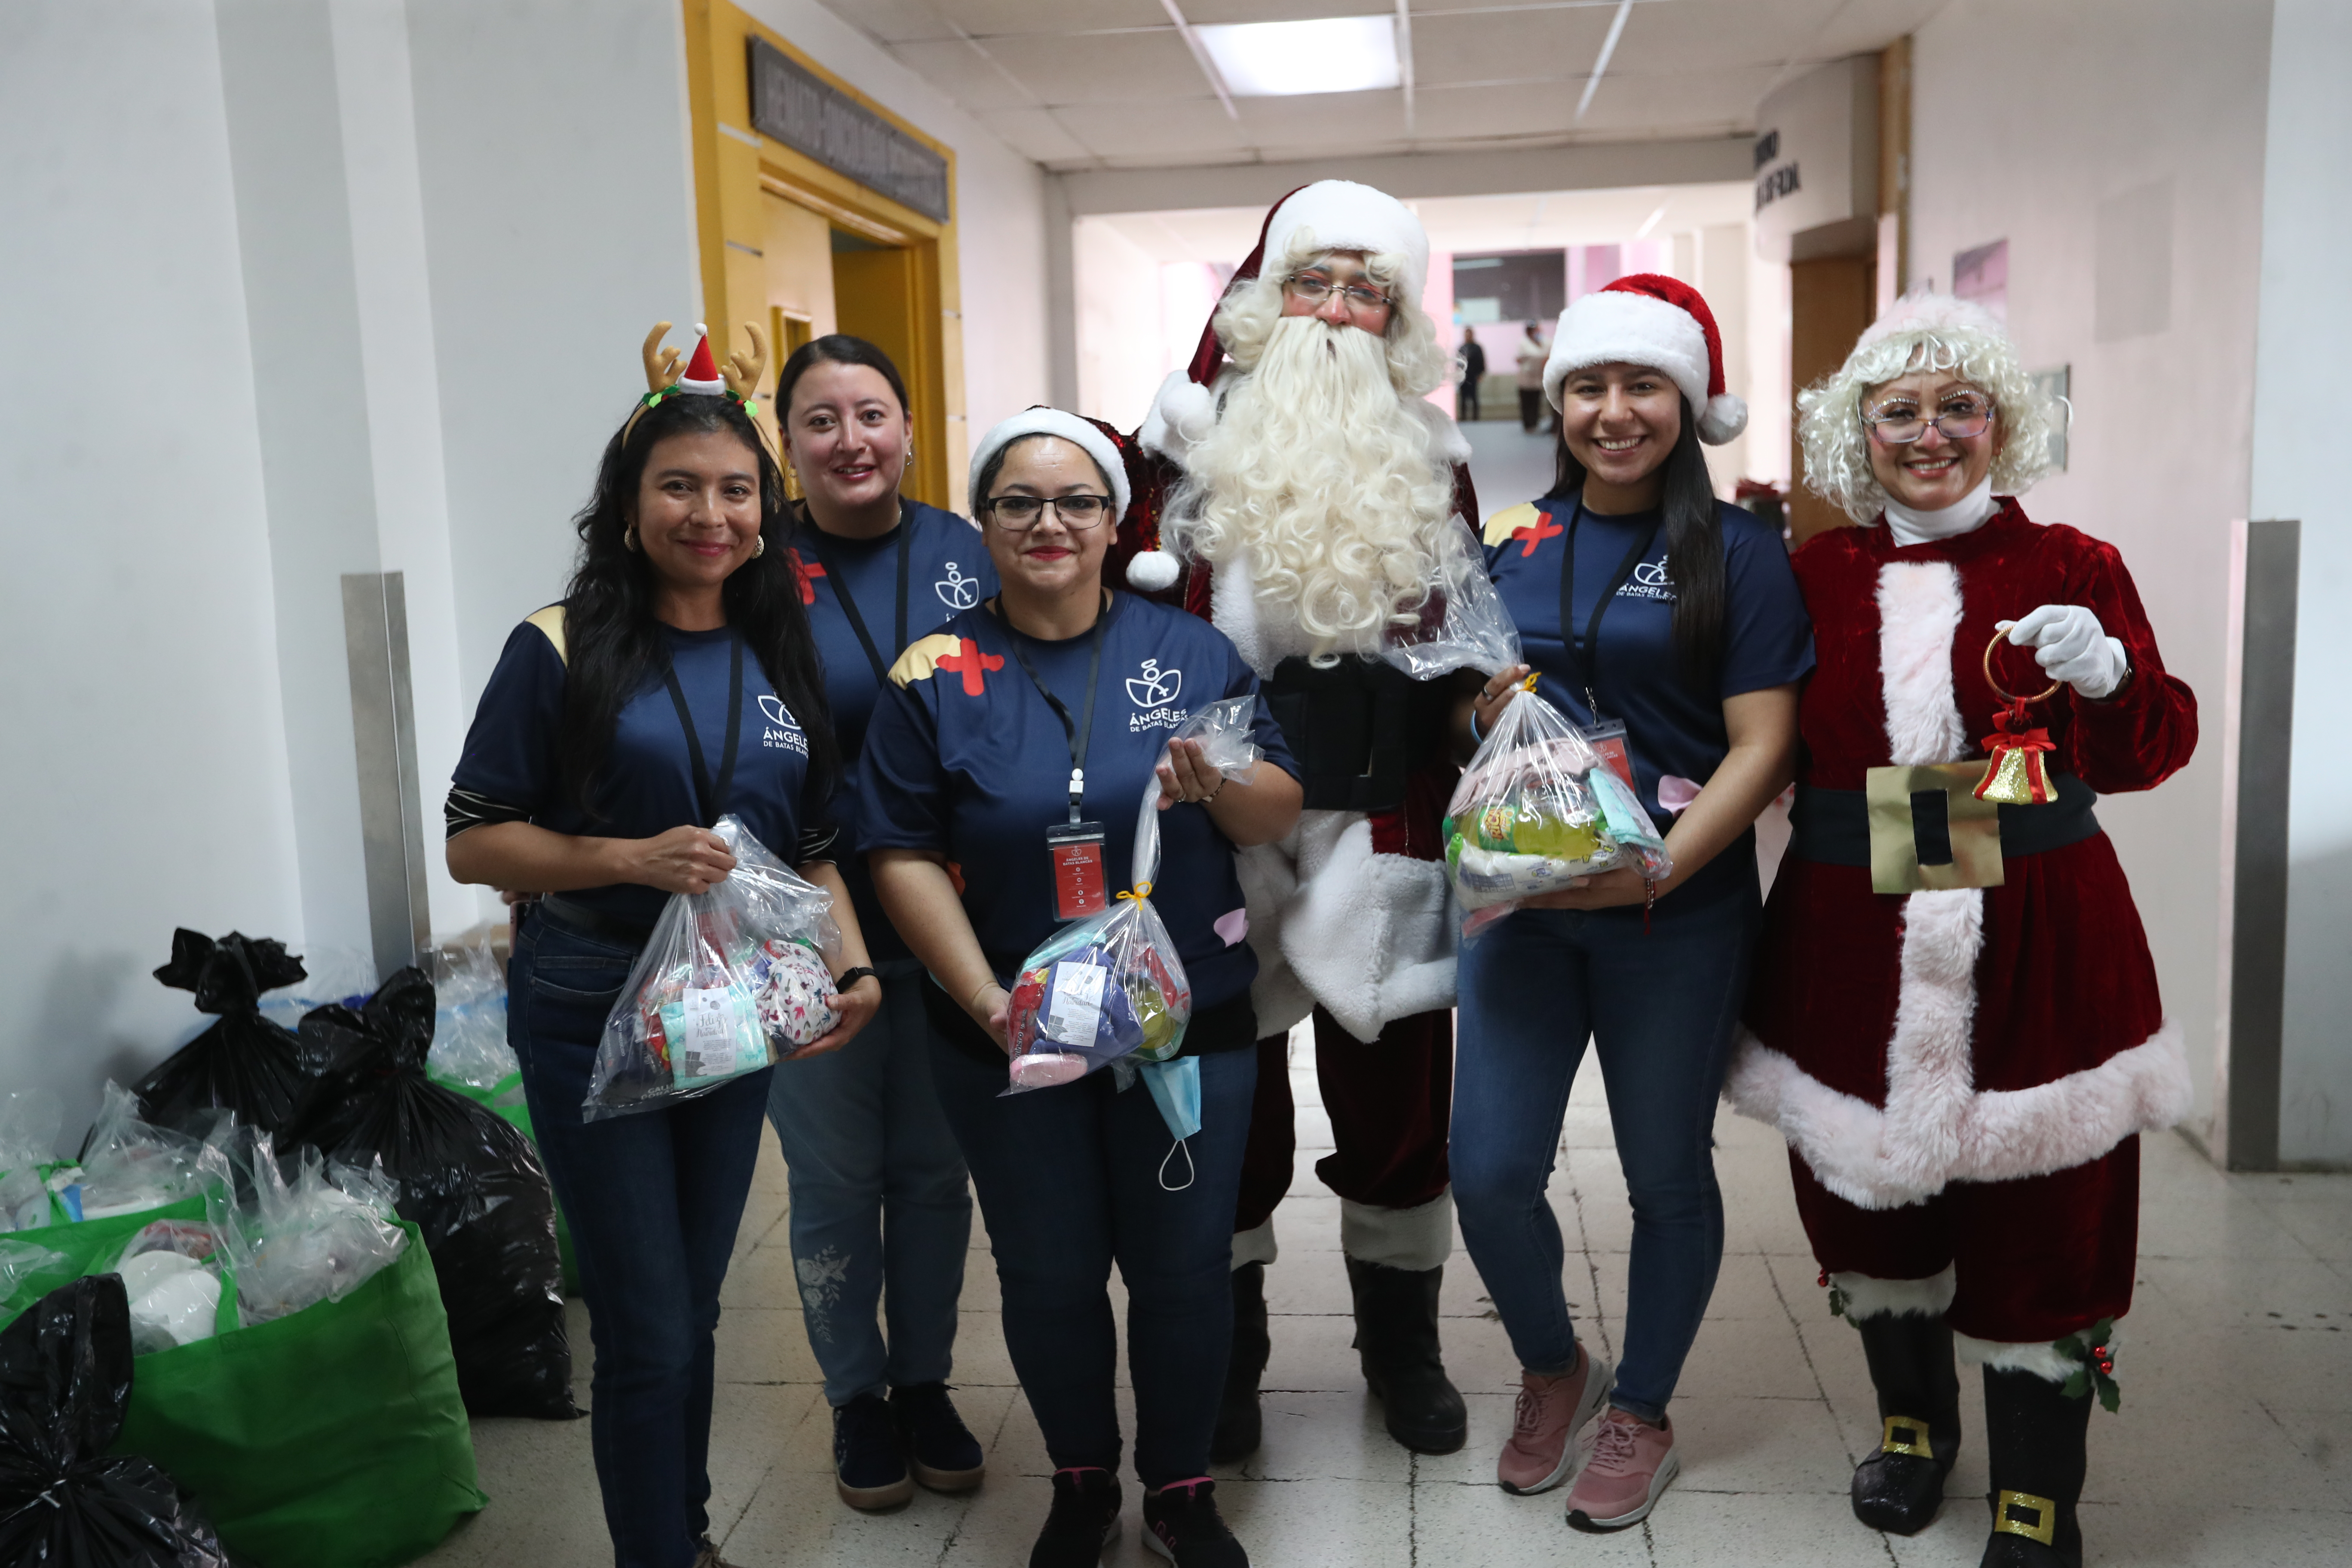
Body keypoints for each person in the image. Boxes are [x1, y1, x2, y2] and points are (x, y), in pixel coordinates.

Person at [1728, 292, 2197, 1568]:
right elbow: (1748, 739)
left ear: (2003, 423)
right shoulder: (1811, 573)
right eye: (1899, 412)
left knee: (2050, 1205)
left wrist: (2109, 674)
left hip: (2044, 924)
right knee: (1872, 1204)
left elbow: (2154, 747)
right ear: (1858, 432)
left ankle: (2041, 1496)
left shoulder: (2077, 565)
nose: (1928, 434)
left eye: (1958, 407)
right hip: (1849, 928)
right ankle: (1912, 1427)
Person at [445, 321, 884, 1568]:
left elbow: (811, 843)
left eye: (737, 490)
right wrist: (624, 859)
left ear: (766, 506)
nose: (713, 514)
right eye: (680, 487)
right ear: (628, 506)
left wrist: (847, 966)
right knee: (643, 1326)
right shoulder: (560, 643)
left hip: (732, 999)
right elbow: (476, 841)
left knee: (693, 1305)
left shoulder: (777, 643)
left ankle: (683, 1540)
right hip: (593, 993)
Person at [863, 409, 1304, 1568]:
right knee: (1048, 1270)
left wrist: (1221, 784)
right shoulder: (934, 673)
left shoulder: (1193, 652)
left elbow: (1277, 811)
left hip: (1187, 1027)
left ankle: (1181, 1488)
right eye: (1019, 503)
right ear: (984, 522)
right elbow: (899, 851)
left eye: (1077, 502)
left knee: (1181, 1269)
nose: (1048, 524)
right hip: (1010, 1033)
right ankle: (1078, 1478)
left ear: (1118, 522)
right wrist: (981, 1000)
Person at [1108, 180, 1482, 1460]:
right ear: (1268, 300)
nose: (1335, 310)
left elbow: (1468, 639)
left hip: (1383, 816)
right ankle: (1229, 1350)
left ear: (1397, 316)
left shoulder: (1435, 463)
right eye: (1313, 282)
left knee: (1397, 1091)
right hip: (1218, 816)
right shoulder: (1178, 451)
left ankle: (1403, 1342)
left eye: (1364, 288)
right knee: (1225, 1094)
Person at [1451, 276, 1813, 1531]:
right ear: (1559, 404)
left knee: (1666, 1173)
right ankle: (1556, 1366)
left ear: (1687, 401)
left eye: (1642, 386)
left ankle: (1642, 1407)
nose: (1615, 412)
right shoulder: (1515, 541)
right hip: (1527, 904)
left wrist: (1661, 862)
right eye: (1592, 388)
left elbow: (1762, 744)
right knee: (1490, 1170)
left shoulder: (1743, 554)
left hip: (1678, 911)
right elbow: (1468, 709)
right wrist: (1479, 711)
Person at [766, 334, 998, 1510]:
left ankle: (924, 1382)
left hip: (957, 924)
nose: (850, 441)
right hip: (808, 929)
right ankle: (857, 1396)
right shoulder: (754, 571)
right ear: (787, 443)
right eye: (821, 420)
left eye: (872, 415)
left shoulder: (973, 552)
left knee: (931, 1169)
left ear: (910, 430)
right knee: (833, 1174)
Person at [1514, 322, 1547, 431]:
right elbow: (1520, 358)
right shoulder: (1523, 343)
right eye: (1535, 330)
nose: (1538, 333)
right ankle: (1528, 425)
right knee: (1526, 403)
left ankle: (1535, 424)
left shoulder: (1543, 342)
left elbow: (1545, 354)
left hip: (1537, 379)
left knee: (1536, 403)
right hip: (1526, 379)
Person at [1457, 325, 1487, 422]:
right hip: (1463, 377)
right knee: (1463, 398)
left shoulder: (1477, 348)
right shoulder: (1462, 348)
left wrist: (1481, 374)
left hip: (1474, 376)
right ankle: (1464, 418)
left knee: (1474, 397)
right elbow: (1458, 363)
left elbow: (1481, 362)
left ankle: (1475, 418)